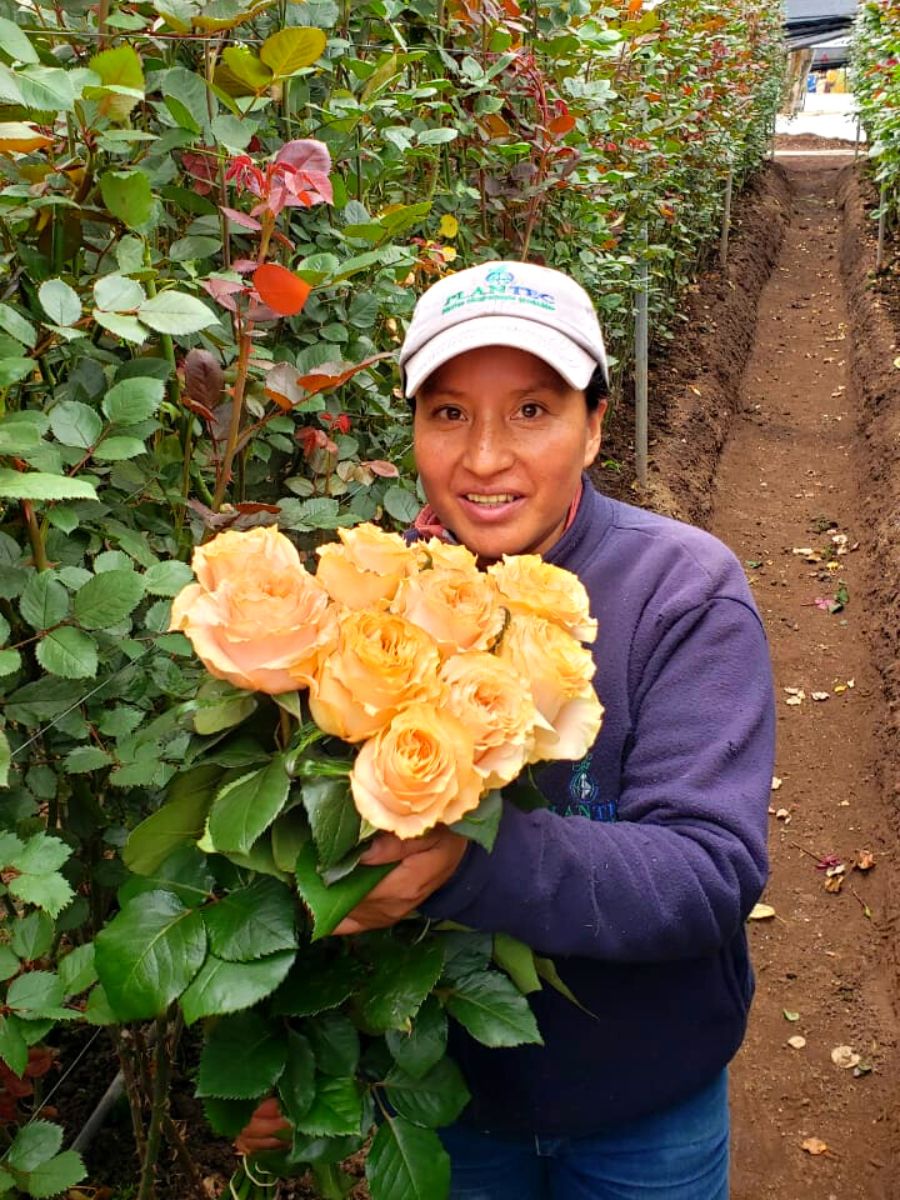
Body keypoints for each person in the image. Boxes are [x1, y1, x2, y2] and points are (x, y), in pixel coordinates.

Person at [238, 262, 776, 1199]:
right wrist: (281, 1054)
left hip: (644, 1108)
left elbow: (709, 872)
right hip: (449, 1110)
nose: (484, 458)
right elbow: (312, 862)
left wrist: (468, 862)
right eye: (448, 414)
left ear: (596, 424)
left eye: (532, 410)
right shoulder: (370, 615)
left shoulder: (681, 595)